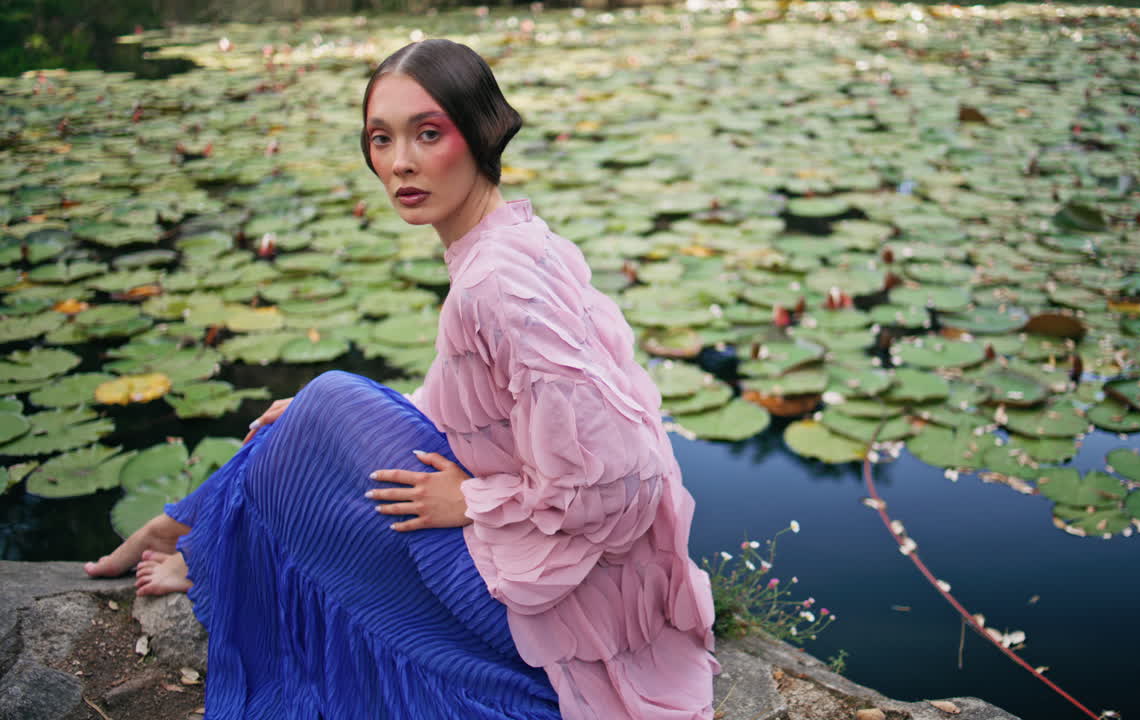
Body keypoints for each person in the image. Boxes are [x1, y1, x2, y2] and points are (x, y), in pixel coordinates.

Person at [84, 39, 718, 719]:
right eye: (381, 139)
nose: (401, 163)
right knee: (313, 409)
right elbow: (476, 405)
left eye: (428, 133)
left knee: (329, 399)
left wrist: (471, 502)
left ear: (480, 131)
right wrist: (323, 419)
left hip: (543, 603)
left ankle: (196, 544)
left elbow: (624, 475)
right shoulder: (515, 242)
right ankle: (197, 539)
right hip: (562, 578)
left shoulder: (496, 285)